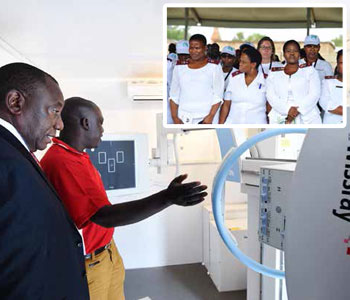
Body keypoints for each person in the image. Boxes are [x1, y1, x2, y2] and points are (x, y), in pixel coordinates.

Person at [40, 97, 208, 300]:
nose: (102, 130)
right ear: (86, 123)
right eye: (100, 122)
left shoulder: (78, 156)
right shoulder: (62, 161)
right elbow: (104, 216)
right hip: (89, 264)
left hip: (107, 253)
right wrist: (166, 198)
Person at [0, 63, 89, 299]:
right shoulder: (5, 159)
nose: (60, 125)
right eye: (54, 111)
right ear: (15, 103)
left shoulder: (15, 154)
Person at [169, 34, 224, 124]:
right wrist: (175, 118)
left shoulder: (214, 67)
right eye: (191, 48)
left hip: (206, 118)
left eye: (197, 48)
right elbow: (174, 95)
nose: (194, 51)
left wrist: (210, 116)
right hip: (183, 117)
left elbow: (218, 95)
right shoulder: (179, 67)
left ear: (205, 48)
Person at [266, 40, 321, 124]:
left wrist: (298, 110)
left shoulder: (310, 71)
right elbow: (271, 96)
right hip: (280, 115)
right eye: (288, 51)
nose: (292, 54)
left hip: (307, 116)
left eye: (295, 51)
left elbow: (314, 94)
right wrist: (287, 110)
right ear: (284, 54)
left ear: (299, 54)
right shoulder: (274, 73)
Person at [219, 46, 267, 124]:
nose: (240, 64)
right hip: (233, 123)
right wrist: (221, 125)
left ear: (253, 64)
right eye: (240, 61)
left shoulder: (265, 80)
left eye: (243, 62)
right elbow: (226, 104)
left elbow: (269, 107)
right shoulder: (234, 78)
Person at [320, 49, 343, 124]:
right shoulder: (328, 82)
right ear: (337, 64)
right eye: (342, 63)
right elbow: (325, 103)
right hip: (332, 127)